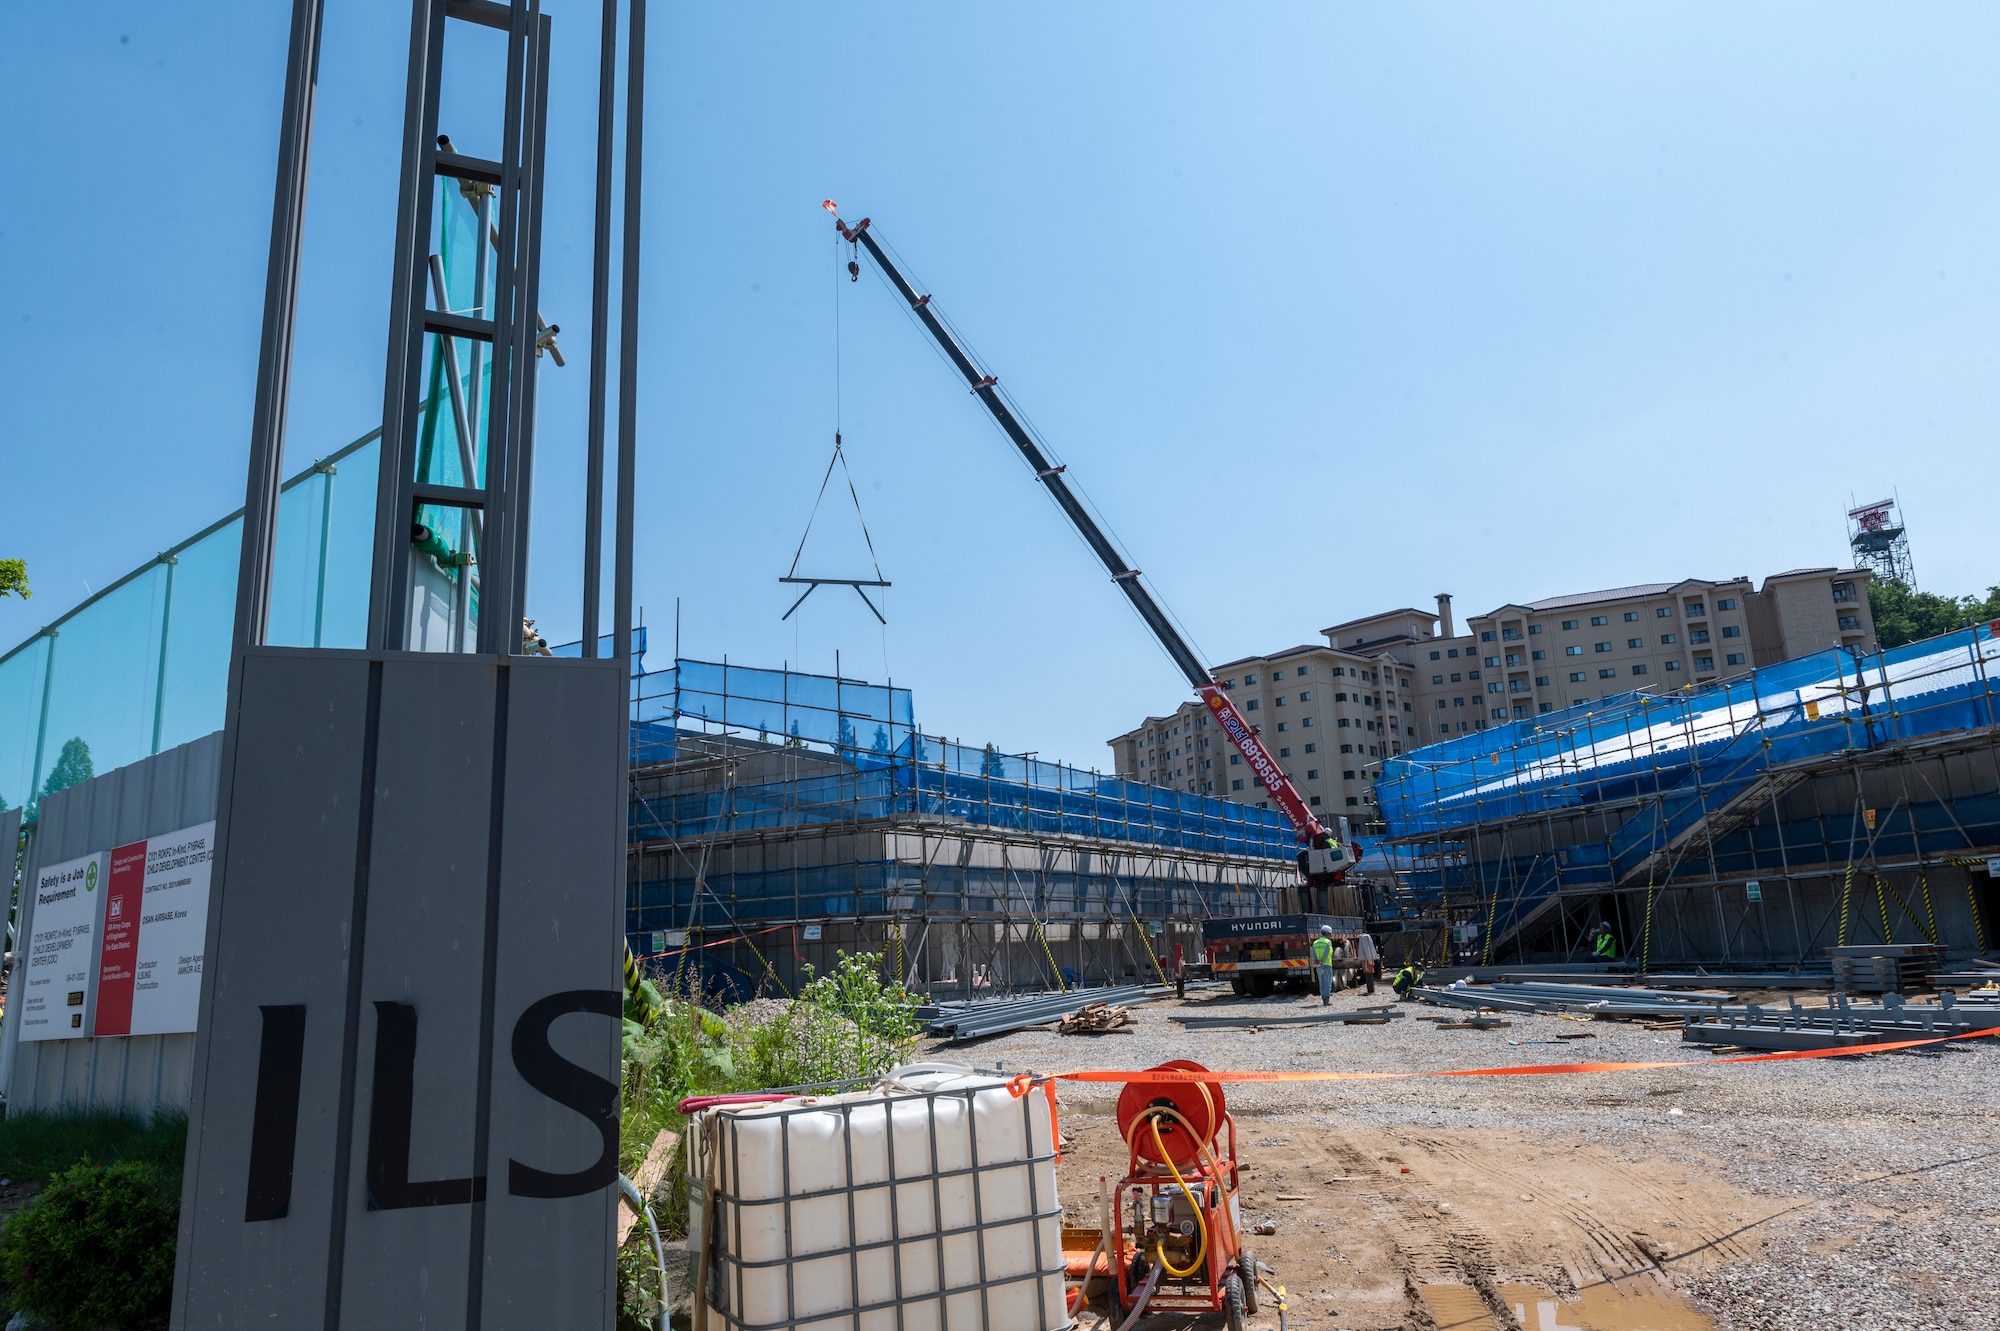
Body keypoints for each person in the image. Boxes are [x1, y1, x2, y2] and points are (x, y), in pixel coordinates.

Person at [1311, 925, 1339, 1005]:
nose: (1331, 935)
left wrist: (1317, 961)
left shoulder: (1315, 943)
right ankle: (1326, 1000)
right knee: (1327, 982)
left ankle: (1323, 998)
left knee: (1321, 982)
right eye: (1330, 933)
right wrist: (1322, 961)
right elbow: (1326, 953)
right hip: (1326, 964)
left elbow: (1313, 953)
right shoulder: (1328, 942)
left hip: (1318, 965)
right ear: (1327, 933)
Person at [1355, 929, 1379, 995]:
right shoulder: (1367, 938)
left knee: (1368, 972)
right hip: (1368, 960)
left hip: (1366, 960)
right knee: (1369, 973)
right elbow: (1368, 951)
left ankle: (1370, 990)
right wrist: (1370, 960)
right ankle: (1371, 990)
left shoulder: (1362, 939)